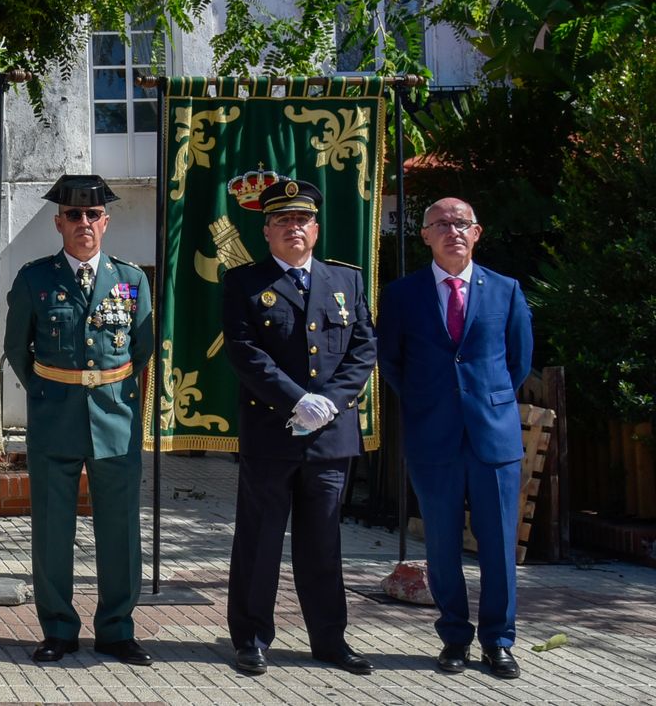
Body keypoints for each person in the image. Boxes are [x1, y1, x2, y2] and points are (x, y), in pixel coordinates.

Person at [220, 179, 375, 676]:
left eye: (302, 220)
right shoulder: (244, 282)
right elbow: (245, 352)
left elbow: (363, 348)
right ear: (266, 231)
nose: (294, 228)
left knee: (324, 545)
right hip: (271, 433)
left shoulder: (345, 281)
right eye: (283, 220)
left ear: (316, 228)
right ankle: (250, 639)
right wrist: (296, 400)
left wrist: (327, 404)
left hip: (330, 438)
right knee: (260, 541)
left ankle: (330, 640)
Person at [4, 174, 154, 667]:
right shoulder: (34, 278)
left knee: (120, 531)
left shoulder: (132, 279)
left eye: (92, 215)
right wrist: (49, 394)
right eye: (74, 215)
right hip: (55, 421)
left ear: (106, 222)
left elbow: (141, 348)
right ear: (58, 222)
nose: (83, 223)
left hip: (116, 420)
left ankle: (117, 629)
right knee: (51, 531)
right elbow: (16, 350)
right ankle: (58, 629)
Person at [378, 198, 532, 680]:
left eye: (461, 223)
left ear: (477, 232)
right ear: (424, 235)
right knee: (441, 544)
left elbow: (518, 362)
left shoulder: (506, 291)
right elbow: (393, 363)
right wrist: (430, 403)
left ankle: (499, 642)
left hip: (494, 439)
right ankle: (454, 639)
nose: (452, 231)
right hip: (433, 437)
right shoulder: (402, 295)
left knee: (499, 547)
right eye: (441, 224)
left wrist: (485, 402)